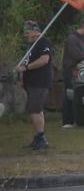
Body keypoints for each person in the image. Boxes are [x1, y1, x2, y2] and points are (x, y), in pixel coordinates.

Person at [15, 20, 53, 150]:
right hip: (31, 83)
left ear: (36, 31)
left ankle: (41, 138)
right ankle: (39, 137)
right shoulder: (30, 46)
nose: (26, 34)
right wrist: (21, 78)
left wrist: (26, 68)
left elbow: (44, 60)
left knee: (34, 109)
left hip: (40, 82)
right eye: (25, 31)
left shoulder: (43, 42)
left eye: (29, 31)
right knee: (36, 110)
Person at [61, 19, 84, 128]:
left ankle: (76, 119)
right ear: (83, 26)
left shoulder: (83, 38)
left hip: (79, 70)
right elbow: (77, 55)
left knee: (77, 95)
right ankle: (67, 121)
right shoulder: (72, 39)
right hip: (70, 70)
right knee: (69, 95)